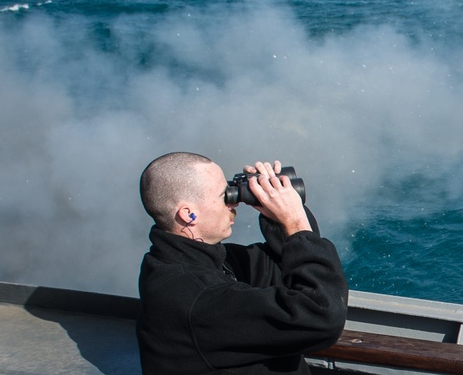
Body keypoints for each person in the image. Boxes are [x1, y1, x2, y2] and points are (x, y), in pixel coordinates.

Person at [136, 152, 348, 374]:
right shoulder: (195, 295)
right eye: (223, 195)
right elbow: (322, 316)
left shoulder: (186, 260)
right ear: (189, 214)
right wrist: (294, 221)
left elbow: (284, 265)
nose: (233, 202)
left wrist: (277, 217)